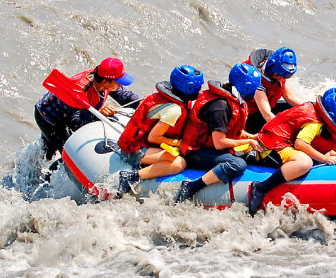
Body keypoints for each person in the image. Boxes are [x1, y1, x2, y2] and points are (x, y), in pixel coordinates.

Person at [247, 88, 336, 216]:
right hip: (271, 147)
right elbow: (300, 143)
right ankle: (261, 187)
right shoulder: (314, 123)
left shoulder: (319, 115)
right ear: (331, 117)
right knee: (305, 162)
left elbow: (325, 148)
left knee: (318, 155)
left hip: (283, 142)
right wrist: (324, 159)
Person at [174, 63, 264, 203]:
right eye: (253, 86)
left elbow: (234, 131)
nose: (255, 90)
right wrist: (247, 142)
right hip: (196, 151)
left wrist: (251, 136)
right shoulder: (220, 107)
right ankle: (192, 186)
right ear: (244, 86)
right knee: (238, 164)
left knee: (253, 156)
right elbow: (219, 142)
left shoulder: (235, 101)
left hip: (210, 147)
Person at [115, 65, 204, 196]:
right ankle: (131, 177)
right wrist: (177, 143)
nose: (200, 89)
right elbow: (153, 137)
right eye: (198, 86)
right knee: (180, 163)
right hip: (133, 149)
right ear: (189, 87)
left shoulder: (171, 99)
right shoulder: (174, 110)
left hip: (143, 144)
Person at [34, 57, 139, 160]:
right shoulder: (82, 90)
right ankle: (43, 170)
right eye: (119, 81)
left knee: (49, 148)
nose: (120, 84)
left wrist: (142, 103)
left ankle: (39, 159)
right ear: (106, 82)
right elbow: (75, 123)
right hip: (48, 118)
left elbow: (126, 97)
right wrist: (99, 114)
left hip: (68, 113)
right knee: (64, 152)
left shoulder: (104, 82)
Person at [241, 47, 304, 133]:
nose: (281, 79)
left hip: (261, 110)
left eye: (284, 77)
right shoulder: (256, 81)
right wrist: (285, 131)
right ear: (273, 70)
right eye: (280, 77)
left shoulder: (279, 75)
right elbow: (267, 114)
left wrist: (308, 108)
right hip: (248, 118)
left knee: (294, 109)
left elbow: (288, 96)